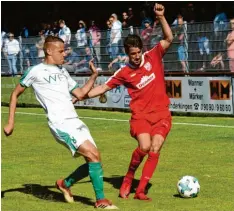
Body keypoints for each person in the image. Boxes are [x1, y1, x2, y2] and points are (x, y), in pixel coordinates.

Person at [3, 36, 118, 209]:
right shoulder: (35, 71)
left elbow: (79, 94)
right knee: (92, 155)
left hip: (75, 120)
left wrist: (94, 76)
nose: (64, 54)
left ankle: (65, 184)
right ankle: (101, 201)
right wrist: (10, 122)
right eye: (61, 51)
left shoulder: (63, 72)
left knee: (95, 161)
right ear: (49, 51)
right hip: (60, 123)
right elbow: (14, 94)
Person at [73, 3, 173, 201]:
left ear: (141, 50)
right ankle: (128, 178)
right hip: (141, 117)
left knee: (156, 148)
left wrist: (161, 17)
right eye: (132, 54)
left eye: (137, 52)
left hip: (162, 114)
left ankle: (141, 190)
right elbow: (102, 88)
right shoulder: (124, 72)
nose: (136, 57)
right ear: (127, 53)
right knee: (144, 147)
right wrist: (82, 95)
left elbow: (169, 38)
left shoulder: (153, 56)